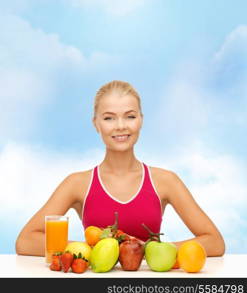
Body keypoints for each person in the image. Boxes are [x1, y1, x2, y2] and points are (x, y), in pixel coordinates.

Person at [15, 80, 225, 257]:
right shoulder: (77, 183)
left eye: (130, 116)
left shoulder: (166, 181)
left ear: (141, 120)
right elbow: (25, 241)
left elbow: (215, 242)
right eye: (109, 118)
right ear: (95, 124)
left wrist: (150, 250)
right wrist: (91, 250)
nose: (120, 126)